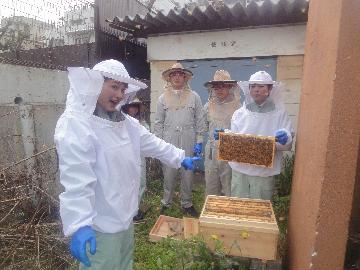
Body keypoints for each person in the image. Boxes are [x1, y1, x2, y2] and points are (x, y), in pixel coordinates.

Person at [54, 59, 200, 269]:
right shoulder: (76, 124)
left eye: (123, 88)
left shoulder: (127, 123)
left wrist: (179, 157)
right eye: (114, 86)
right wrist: (80, 224)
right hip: (99, 226)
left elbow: (154, 144)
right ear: (94, 84)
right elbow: (77, 178)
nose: (120, 95)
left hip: (124, 217)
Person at [214, 71, 294, 200]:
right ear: (249, 89)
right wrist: (224, 135)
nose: (256, 90)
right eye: (253, 86)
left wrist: (285, 136)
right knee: (239, 205)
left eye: (261, 86)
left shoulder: (279, 114)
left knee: (261, 207)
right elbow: (236, 138)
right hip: (240, 170)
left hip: (263, 172)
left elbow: (287, 139)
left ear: (269, 89)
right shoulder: (240, 113)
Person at [154, 62, 205, 217]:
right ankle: (166, 202)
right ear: (169, 78)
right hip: (169, 138)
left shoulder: (194, 97)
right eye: (173, 74)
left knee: (187, 173)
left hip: (188, 137)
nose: (176, 77)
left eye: (179, 74)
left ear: (185, 77)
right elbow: (158, 123)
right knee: (168, 172)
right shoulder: (162, 98)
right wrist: (159, 144)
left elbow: (200, 120)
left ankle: (187, 203)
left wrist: (199, 140)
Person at [202, 70, 241, 196]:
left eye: (223, 86)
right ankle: (212, 212)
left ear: (230, 87)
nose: (220, 90)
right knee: (211, 183)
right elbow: (203, 126)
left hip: (230, 150)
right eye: (217, 87)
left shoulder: (239, 108)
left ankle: (228, 213)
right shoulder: (208, 106)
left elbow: (241, 131)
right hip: (211, 150)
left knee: (228, 185)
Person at [122, 98, 150, 221]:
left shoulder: (142, 123)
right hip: (125, 157)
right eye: (131, 106)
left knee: (141, 182)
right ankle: (127, 210)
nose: (133, 109)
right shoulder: (120, 121)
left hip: (139, 157)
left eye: (136, 106)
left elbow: (148, 138)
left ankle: (136, 209)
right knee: (126, 183)